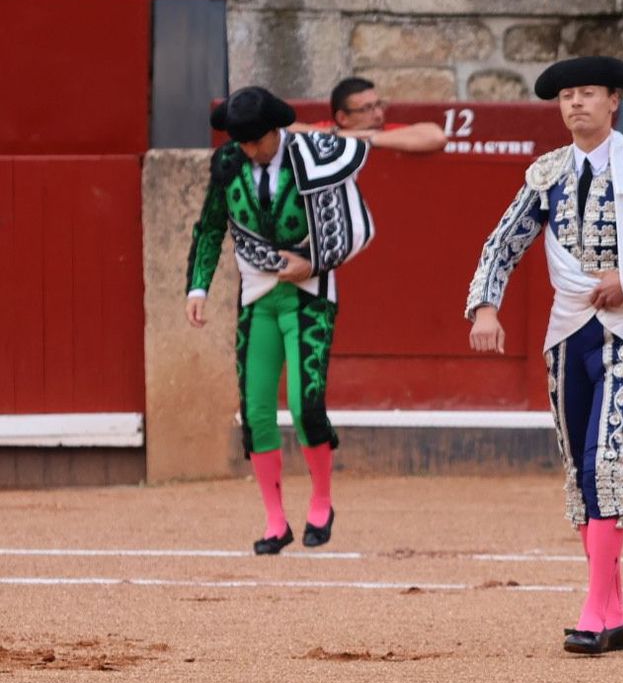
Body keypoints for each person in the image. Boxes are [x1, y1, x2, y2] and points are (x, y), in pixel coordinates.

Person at [465, 56, 623, 655]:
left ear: (613, 102)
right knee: (580, 470)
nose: (576, 103)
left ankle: (596, 612)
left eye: (588, 93)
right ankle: (614, 614)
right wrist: (485, 308)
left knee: (602, 462)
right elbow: (502, 243)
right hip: (567, 332)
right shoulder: (546, 174)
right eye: (567, 95)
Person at [186, 86, 378, 555]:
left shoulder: (311, 157)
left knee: (305, 401)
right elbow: (212, 225)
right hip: (257, 296)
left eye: (256, 141)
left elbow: (353, 226)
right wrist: (198, 286)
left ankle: (322, 502)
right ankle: (275, 521)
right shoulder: (229, 163)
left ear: (276, 130)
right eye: (242, 142)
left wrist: (311, 263)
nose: (249, 150)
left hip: (309, 294)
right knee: (255, 410)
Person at [298, 77, 447, 154]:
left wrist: (370, 139)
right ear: (343, 118)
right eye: (367, 108)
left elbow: (437, 136)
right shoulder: (330, 130)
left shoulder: (388, 131)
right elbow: (285, 129)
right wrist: (339, 135)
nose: (378, 114)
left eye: (378, 105)